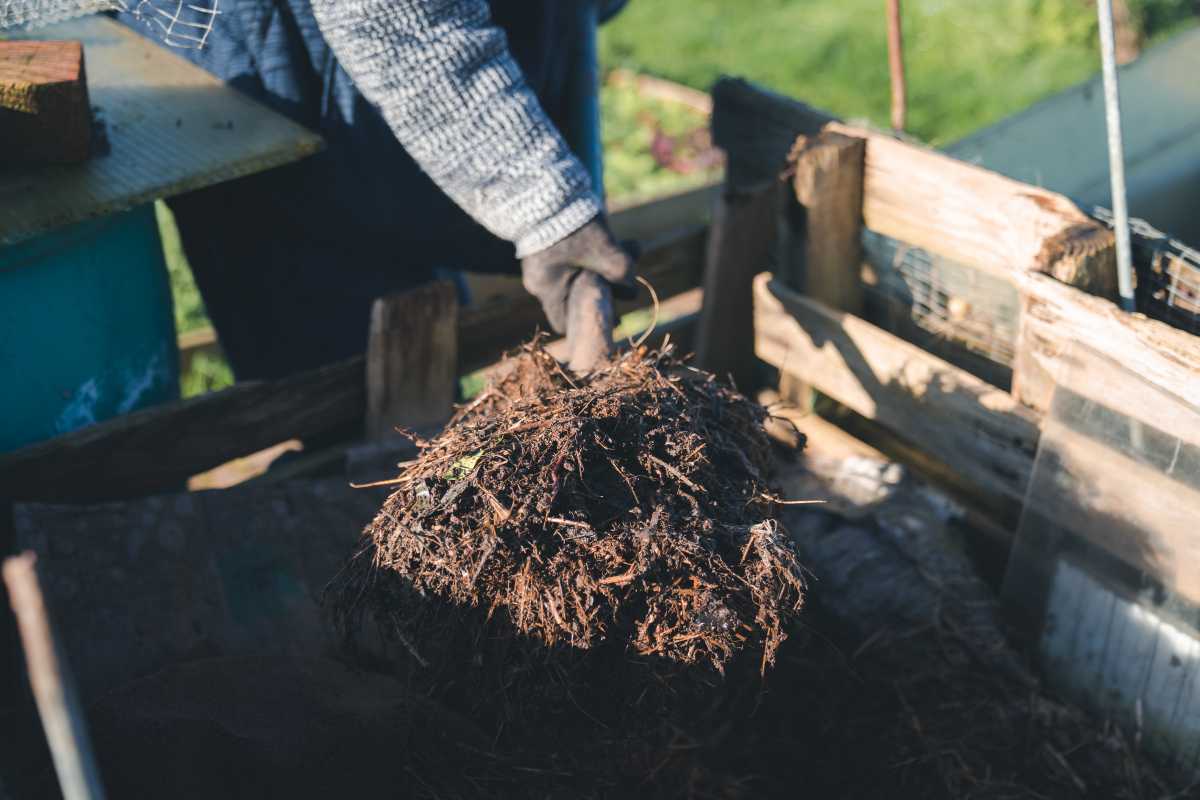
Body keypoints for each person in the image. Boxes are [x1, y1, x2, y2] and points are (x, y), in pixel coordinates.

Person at [119, 0, 637, 378]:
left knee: (419, 342)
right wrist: (547, 206)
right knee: (338, 363)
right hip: (266, 61)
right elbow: (391, 17)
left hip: (418, 52)